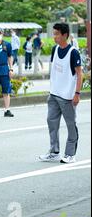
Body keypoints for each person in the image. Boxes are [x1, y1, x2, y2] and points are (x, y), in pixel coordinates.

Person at [39, 23, 82, 164]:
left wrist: (77, 93)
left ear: (65, 35)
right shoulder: (55, 49)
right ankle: (54, 152)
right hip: (54, 94)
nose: (54, 36)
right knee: (51, 123)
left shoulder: (73, 52)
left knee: (71, 125)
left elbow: (79, 74)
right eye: (54, 33)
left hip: (68, 97)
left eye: (57, 33)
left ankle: (70, 154)